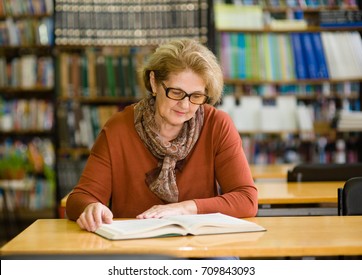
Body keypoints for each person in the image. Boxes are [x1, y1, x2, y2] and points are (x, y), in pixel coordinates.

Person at [66, 38, 258, 233]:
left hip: (202, 245)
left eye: (196, 96)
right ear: (154, 83)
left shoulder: (217, 125)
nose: (185, 105)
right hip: (137, 245)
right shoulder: (118, 128)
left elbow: (247, 199)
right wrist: (91, 207)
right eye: (176, 92)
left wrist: (184, 208)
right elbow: (79, 198)